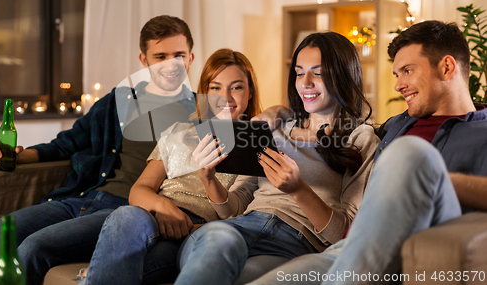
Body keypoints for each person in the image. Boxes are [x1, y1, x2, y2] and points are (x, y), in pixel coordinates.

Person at [247, 20, 487, 285]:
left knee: (409, 153)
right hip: (349, 245)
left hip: (414, 237)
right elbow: (332, 119)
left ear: (447, 67)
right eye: (397, 75)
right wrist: (280, 112)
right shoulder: (397, 125)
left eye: (407, 71)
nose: (398, 85)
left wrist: (426, 179)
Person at [0, 15, 197, 285]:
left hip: (126, 213)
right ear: (144, 60)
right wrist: (17, 155)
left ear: (190, 57)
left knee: (33, 248)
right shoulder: (118, 101)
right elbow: (68, 142)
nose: (171, 64)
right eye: (160, 56)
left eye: (178, 55)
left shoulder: (201, 113)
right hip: (81, 197)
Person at [174, 32, 380, 285]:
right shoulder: (275, 128)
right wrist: (209, 180)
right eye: (299, 72)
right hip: (235, 230)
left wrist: (299, 190)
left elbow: (343, 235)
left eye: (318, 72)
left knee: (239, 277)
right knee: (219, 241)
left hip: (291, 244)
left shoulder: (361, 139)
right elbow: (234, 209)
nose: (305, 82)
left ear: (342, 75)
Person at [78, 48, 262, 285]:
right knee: (126, 214)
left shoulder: (258, 142)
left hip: (194, 232)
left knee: (127, 265)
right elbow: (139, 189)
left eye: (236, 87)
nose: (224, 97)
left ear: (250, 92)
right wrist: (163, 207)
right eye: (215, 87)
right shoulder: (179, 131)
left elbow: (245, 212)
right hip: (154, 214)